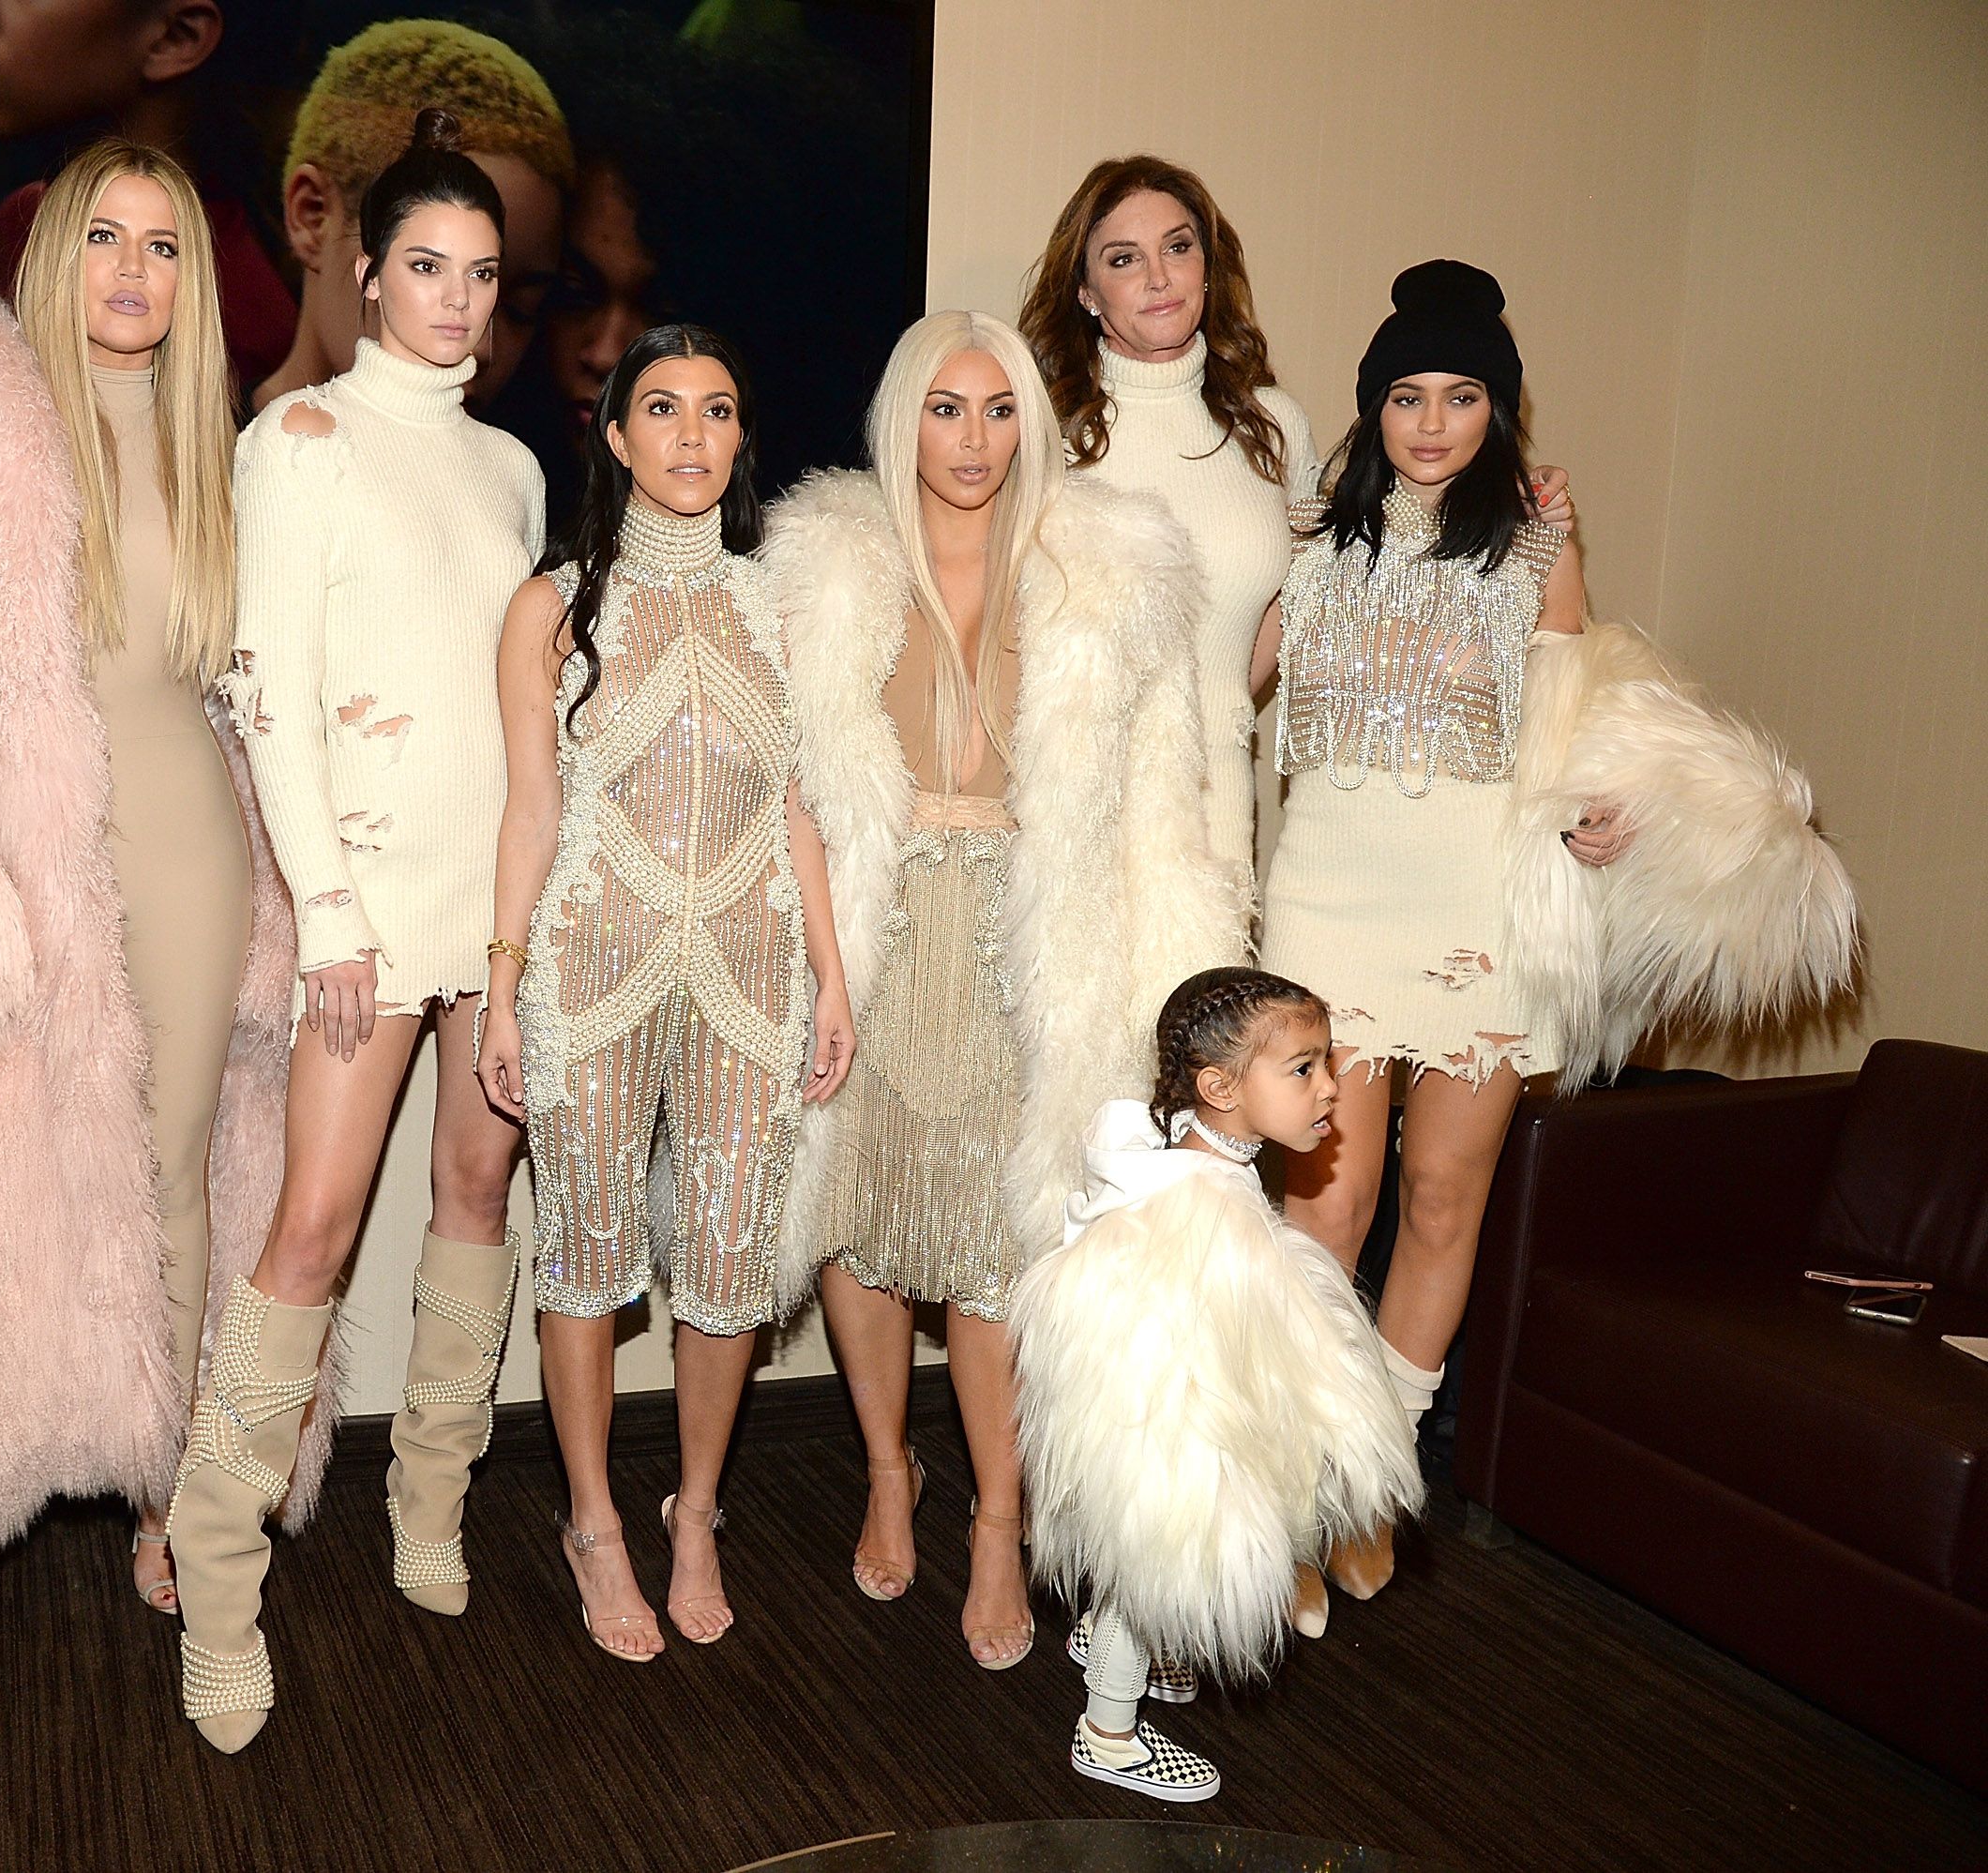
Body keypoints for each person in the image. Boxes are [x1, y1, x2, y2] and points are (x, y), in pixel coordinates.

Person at [1254, 260, 1858, 1617]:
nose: (1431, 422)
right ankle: (1294, 1474)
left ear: (1499, 409)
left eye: (1462, 395)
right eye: (1406, 394)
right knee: (1324, 1212)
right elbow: (1216, 690)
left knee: (1444, 1201)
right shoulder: (1301, 532)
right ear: (1373, 407)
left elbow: (1578, 728)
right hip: (1325, 902)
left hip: (1476, 905)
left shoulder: (1537, 542)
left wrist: (1600, 823)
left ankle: (1371, 1477)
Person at [0, 137, 295, 1706]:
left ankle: (160, 1475)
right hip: (1, 851)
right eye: (106, 236)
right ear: (51, 254)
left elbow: (234, 695)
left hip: (182, 847)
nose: (134, 274)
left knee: (160, 1180)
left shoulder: (205, 435)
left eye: (165, 246)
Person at [761, 310, 1245, 1672]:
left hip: (1034, 937)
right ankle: (882, 1466)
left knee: (997, 1240)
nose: (972, 441)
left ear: (1029, 418)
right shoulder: (829, 561)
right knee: (856, 1213)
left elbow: (1165, 812)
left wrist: (1176, 998)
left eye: (996, 410)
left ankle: (996, 1518)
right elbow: (787, 783)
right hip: (876, 922)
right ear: (901, 417)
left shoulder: (1110, 569)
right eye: (944, 410)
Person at [170, 107, 546, 1754]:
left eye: (479, 274)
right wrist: (328, 908)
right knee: (313, 1226)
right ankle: (217, 1564)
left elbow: (524, 709)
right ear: (369, 272)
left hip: (497, 900)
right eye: (427, 268)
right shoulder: (301, 437)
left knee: (478, 1187)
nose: (454, 301)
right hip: (368, 903)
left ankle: (432, 1502)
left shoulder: (516, 464)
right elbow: (264, 690)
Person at [477, 324, 856, 1661]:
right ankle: (593, 1521)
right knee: (582, 1249)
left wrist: (830, 975)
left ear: (742, 438)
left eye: (718, 409)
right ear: (618, 436)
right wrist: (504, 978)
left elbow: (803, 805)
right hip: (587, 970)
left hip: (754, 974)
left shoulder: (785, 607)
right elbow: (531, 810)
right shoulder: (553, 605)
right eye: (663, 409)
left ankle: (696, 1511)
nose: (693, 435)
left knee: (728, 1259)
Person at [1022, 157, 1573, 884]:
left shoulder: (1271, 426)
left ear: (1209, 268)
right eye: (1125, 259)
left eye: (1179, 247)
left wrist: (1509, 491)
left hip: (1215, 796)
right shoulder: (1038, 428)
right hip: (1065, 798)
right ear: (1087, 292)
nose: (1159, 278)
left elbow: (1335, 575)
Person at [1013, 967, 1425, 1804]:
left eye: (1326, 1065)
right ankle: (1109, 1732)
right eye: (1304, 1068)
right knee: (1154, 1560)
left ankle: (1117, 1647)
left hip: (1156, 1403)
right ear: (1220, 1086)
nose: (1331, 1090)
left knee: (1155, 1559)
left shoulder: (1183, 1169)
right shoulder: (1201, 1204)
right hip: (1162, 1420)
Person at [0, 0, 299, 384]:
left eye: (162, 250)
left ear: (177, 36)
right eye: (102, 237)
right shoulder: (22, 226)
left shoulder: (236, 321)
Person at [246, 19, 573, 415]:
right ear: (313, 217)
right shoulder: (186, 458)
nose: (479, 344)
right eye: (427, 267)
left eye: (522, 307)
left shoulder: (506, 473)